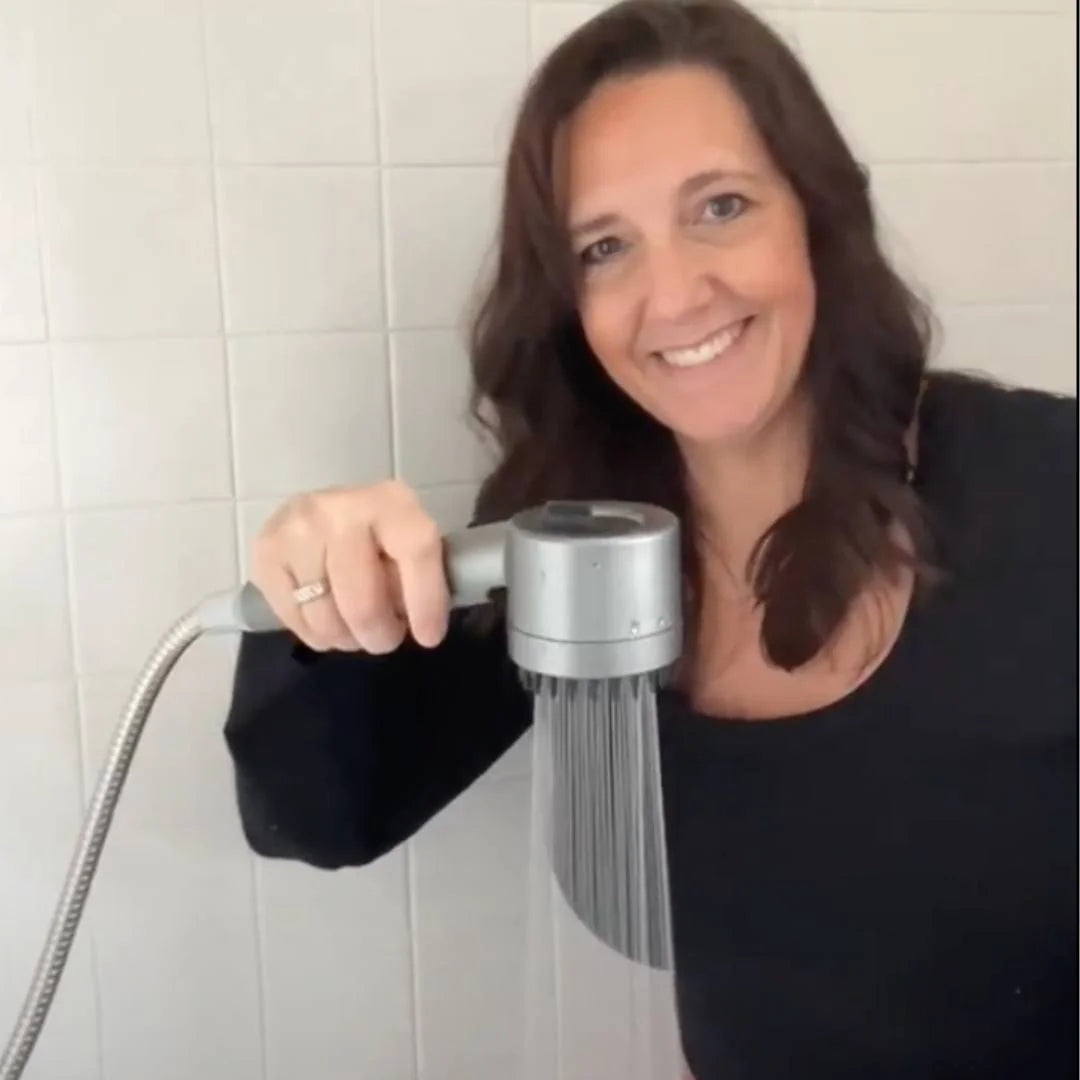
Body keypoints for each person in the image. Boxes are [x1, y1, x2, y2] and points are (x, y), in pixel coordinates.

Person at [222, 1, 1077, 1076]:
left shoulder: (1048, 486)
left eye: (721, 206)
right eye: (604, 247)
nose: (674, 294)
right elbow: (318, 816)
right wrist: (321, 593)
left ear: (816, 216)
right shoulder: (576, 547)